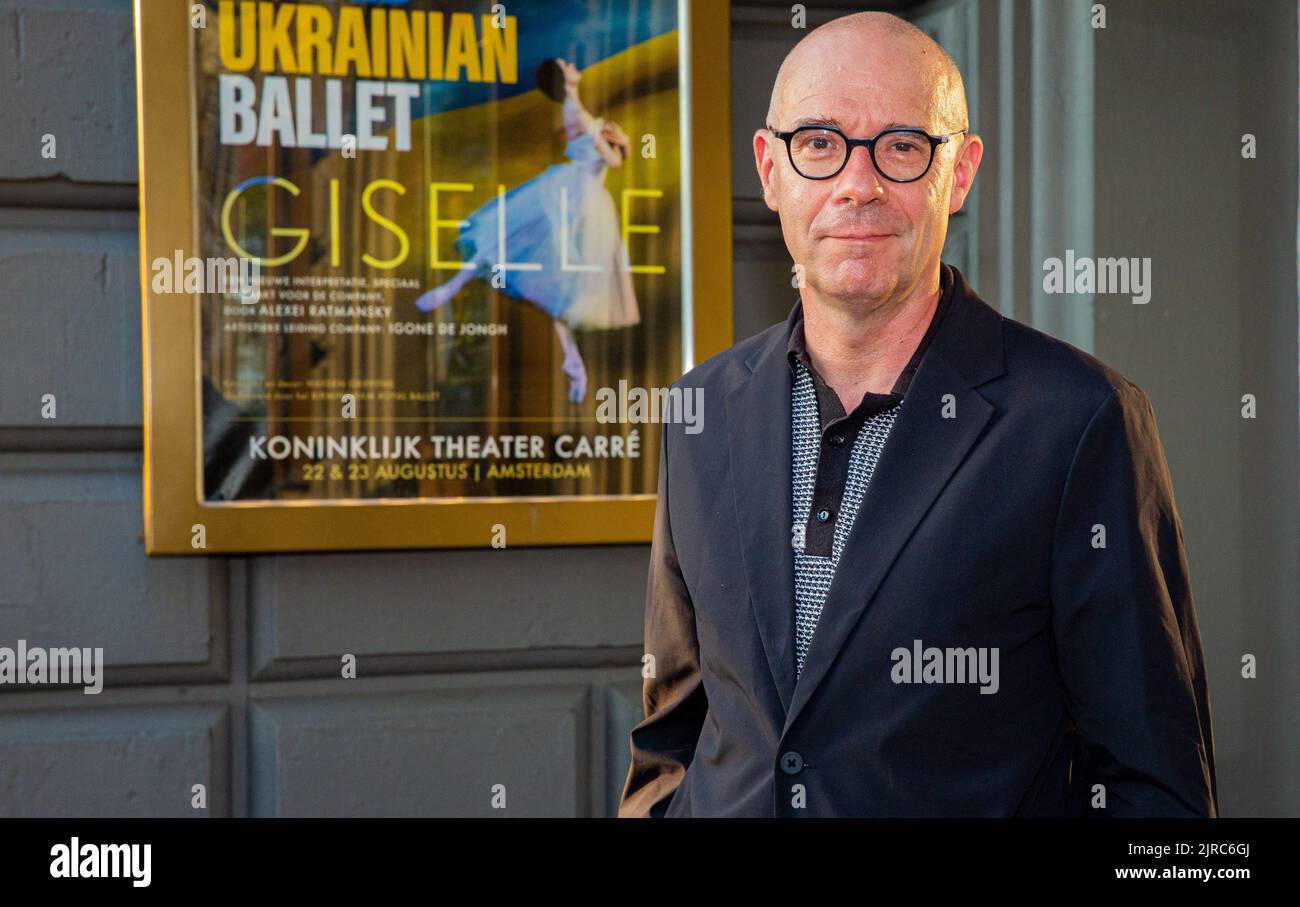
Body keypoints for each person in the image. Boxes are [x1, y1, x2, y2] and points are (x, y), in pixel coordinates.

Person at [618, 12, 1217, 817]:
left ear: (960, 172)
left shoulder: (1080, 422)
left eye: (902, 145)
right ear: (770, 168)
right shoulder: (699, 410)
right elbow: (671, 740)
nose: (857, 184)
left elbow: (1156, 792)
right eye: (820, 143)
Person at [414, 57, 640, 403]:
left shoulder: (581, 112)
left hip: (585, 205)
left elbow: (615, 159)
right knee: (504, 238)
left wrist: (616, 139)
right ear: (563, 79)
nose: (571, 65)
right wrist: (612, 139)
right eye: (566, 66)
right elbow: (611, 160)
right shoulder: (575, 112)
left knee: (564, 287)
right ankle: (453, 286)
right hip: (568, 197)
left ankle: (574, 362)